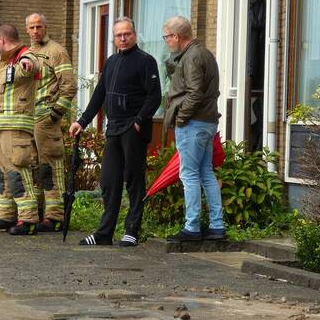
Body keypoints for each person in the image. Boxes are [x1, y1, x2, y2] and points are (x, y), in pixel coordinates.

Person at [70, 17, 162, 247]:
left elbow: (154, 96)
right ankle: (104, 233)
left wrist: (139, 120)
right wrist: (82, 121)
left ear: (134, 35)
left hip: (133, 128)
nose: (123, 38)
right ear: (113, 38)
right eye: (118, 35)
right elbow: (99, 94)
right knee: (109, 180)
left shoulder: (146, 61)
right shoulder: (111, 62)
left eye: (126, 34)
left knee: (134, 179)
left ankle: (132, 230)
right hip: (113, 127)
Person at [161, 15, 224, 242]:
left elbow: (194, 92)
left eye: (167, 37)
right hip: (207, 121)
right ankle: (217, 226)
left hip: (193, 123)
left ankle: (192, 227)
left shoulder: (191, 56)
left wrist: (181, 119)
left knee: (188, 174)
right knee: (206, 172)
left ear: (176, 36)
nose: (166, 41)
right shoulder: (204, 53)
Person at [0, 23, 42, 235]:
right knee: (1, 175)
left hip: (14, 128)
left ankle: (28, 219)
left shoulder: (25, 56)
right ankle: (5, 215)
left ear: (1, 40)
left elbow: (32, 66)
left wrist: (26, 64)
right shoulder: (5, 62)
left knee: (18, 171)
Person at [26, 13, 77, 232]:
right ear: (27, 30)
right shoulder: (26, 54)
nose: (35, 31)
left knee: (50, 166)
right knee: (33, 166)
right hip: (28, 119)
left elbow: (69, 87)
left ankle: (55, 216)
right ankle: (37, 213)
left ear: (45, 27)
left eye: (39, 26)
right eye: (31, 27)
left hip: (46, 118)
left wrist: (55, 115)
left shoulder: (57, 52)